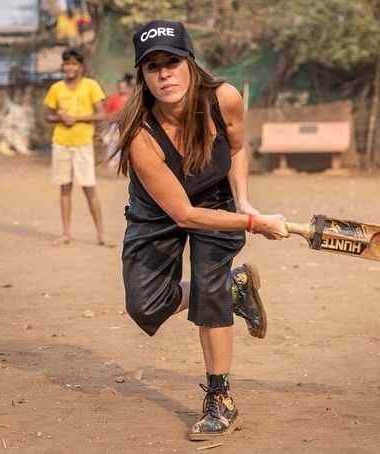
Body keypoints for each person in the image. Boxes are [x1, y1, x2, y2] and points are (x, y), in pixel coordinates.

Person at [112, 19, 289, 441]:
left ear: (190, 63)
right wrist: (254, 222)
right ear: (143, 75)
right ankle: (236, 287)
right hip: (159, 210)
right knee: (145, 305)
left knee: (209, 292)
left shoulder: (223, 99)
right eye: (153, 66)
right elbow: (184, 214)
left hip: (216, 200)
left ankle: (219, 396)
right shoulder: (139, 132)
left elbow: (239, 148)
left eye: (172, 61)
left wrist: (243, 201)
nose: (164, 73)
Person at [43, 46, 115, 247]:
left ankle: (101, 234)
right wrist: (60, 117)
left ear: (81, 66)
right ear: (62, 66)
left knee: (89, 188)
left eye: (74, 63)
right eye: (67, 63)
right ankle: (66, 233)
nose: (70, 67)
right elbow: (48, 115)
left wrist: (77, 118)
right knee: (64, 188)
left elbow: (101, 114)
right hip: (61, 144)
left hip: (82, 143)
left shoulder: (90, 86)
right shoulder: (56, 88)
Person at [103, 78, 131, 171]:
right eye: (120, 87)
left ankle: (127, 168)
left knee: (128, 146)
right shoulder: (113, 98)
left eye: (124, 87)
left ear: (127, 87)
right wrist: (116, 117)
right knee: (113, 146)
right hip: (115, 126)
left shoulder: (132, 98)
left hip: (129, 125)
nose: (122, 89)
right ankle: (113, 168)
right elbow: (107, 113)